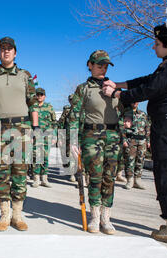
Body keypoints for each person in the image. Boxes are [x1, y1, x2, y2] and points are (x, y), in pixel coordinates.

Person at [102, 24, 167, 246]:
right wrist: (120, 84)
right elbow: (147, 80)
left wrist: (116, 93)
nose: (153, 47)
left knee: (166, 175)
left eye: (157, 44)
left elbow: (148, 90)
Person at [0, 36, 39, 232]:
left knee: (20, 173)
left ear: (15, 52)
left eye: (9, 49)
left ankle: (17, 215)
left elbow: (33, 102)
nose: (6, 51)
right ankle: (4, 215)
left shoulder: (25, 75)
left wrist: (36, 128)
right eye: (2, 49)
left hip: (21, 128)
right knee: (1, 173)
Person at [70, 50, 128, 235]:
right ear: (90, 65)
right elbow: (74, 115)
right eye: (99, 65)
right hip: (91, 136)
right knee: (95, 177)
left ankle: (106, 218)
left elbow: (127, 107)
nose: (102, 68)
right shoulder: (83, 89)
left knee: (109, 177)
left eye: (105, 65)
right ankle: (95, 216)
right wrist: (73, 139)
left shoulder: (115, 88)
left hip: (112, 136)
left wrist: (127, 117)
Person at [31, 88, 57, 188]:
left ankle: (44, 178)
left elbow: (54, 122)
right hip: (36, 135)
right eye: (38, 95)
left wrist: (54, 135)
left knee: (45, 156)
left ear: (45, 96)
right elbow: (29, 121)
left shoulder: (49, 107)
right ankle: (36, 178)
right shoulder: (32, 107)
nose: (39, 96)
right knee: (37, 156)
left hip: (48, 134)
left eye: (41, 95)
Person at [123, 102, 150, 190]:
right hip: (131, 140)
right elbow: (121, 127)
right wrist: (123, 139)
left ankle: (138, 180)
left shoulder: (143, 114)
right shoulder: (126, 113)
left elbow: (147, 127)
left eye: (137, 101)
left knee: (140, 160)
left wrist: (148, 140)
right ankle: (130, 180)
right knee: (130, 160)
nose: (135, 103)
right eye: (133, 101)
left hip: (142, 141)